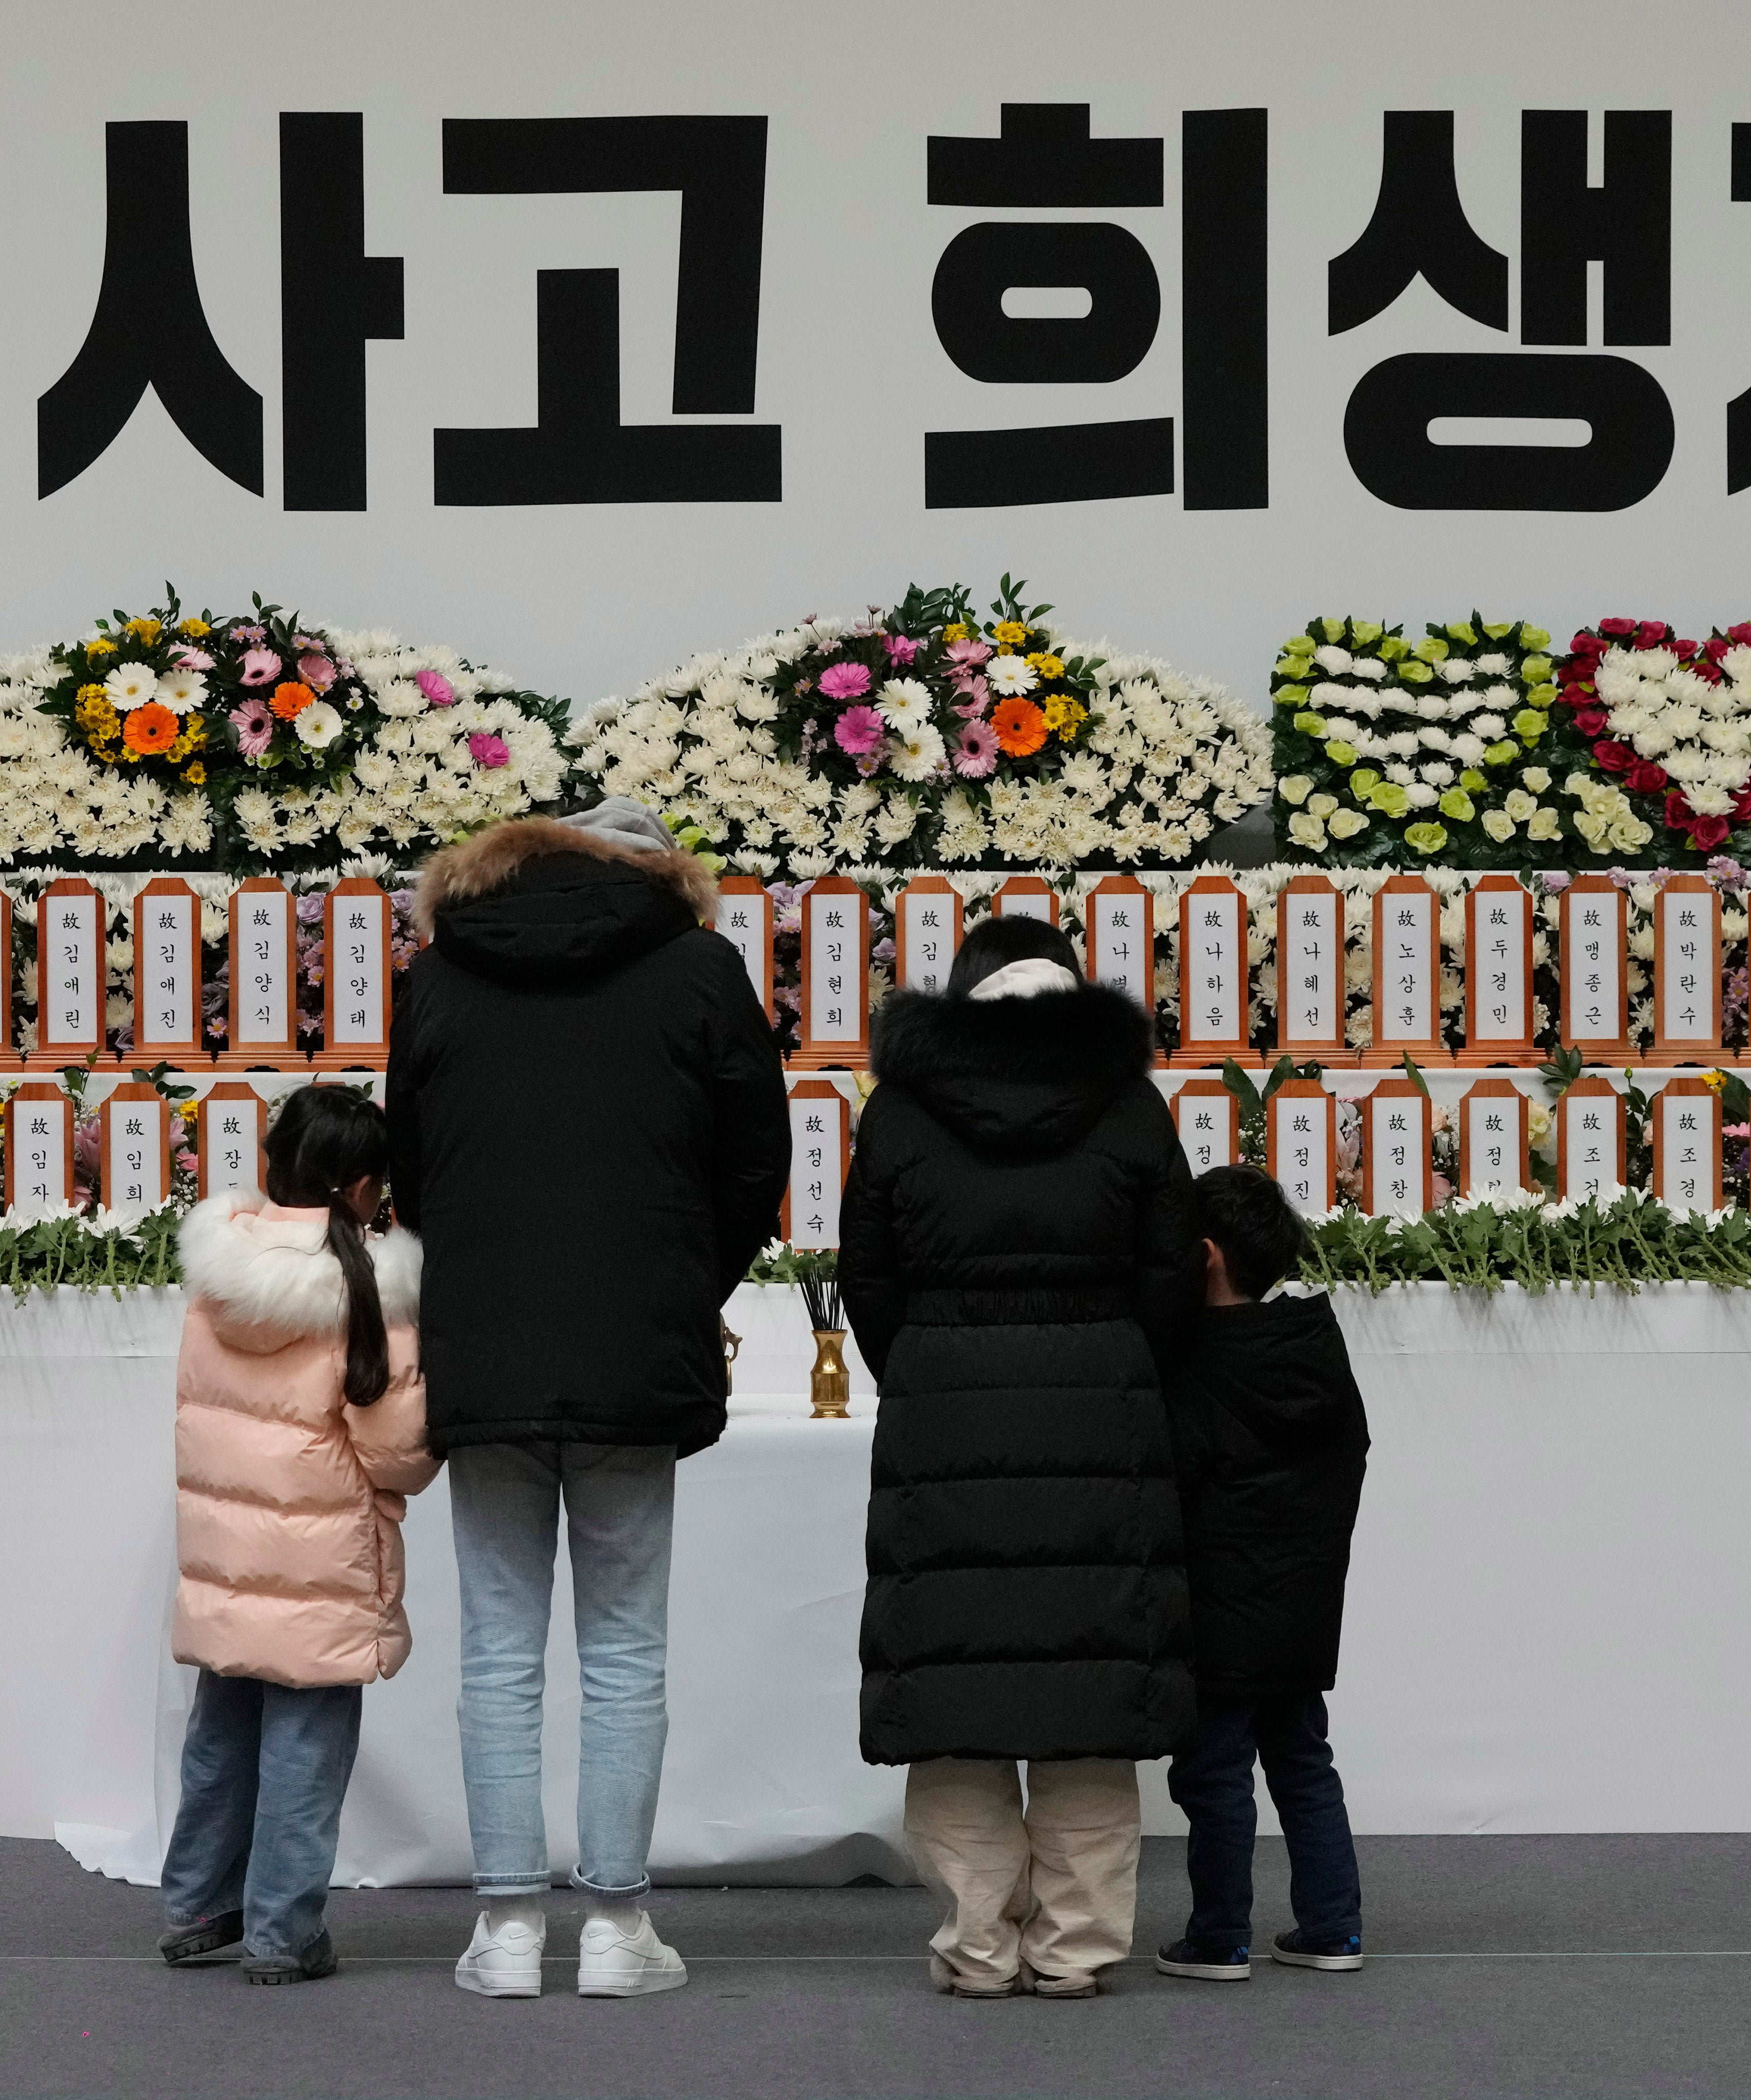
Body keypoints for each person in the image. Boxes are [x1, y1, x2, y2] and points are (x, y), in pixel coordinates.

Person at [388, 795, 791, 2000]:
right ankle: (616, 1929)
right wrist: (679, 1284)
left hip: (487, 1343)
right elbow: (755, 1159)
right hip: (633, 1345)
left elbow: (412, 1162)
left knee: (500, 1647)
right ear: (662, 872)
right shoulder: (700, 968)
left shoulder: (444, 972)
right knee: (625, 1645)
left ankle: (506, 1929)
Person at [838, 912, 1203, 1999]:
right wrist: (1124, 1360)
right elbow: (1172, 1269)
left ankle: (977, 1947)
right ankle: (1077, 1949)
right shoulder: (1130, 1106)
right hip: (1103, 1407)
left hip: (944, 1407)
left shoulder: (900, 1111)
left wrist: (922, 1365)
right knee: (1091, 1692)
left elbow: (867, 1274)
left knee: (958, 1696)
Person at [156, 1083, 436, 1986]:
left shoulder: (219, 1273)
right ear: (360, 1188)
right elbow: (396, 1453)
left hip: (227, 1554)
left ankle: (199, 1903)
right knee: (304, 1754)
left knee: (221, 1739)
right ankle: (281, 1933)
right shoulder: (369, 1288)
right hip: (321, 1566)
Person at [1156, 1163, 1371, 1983]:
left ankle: (1220, 1938)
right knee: (1305, 1764)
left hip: (1217, 1609)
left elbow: (1171, 1484)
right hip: (1304, 1602)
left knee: (1214, 1777)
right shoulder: (1313, 1346)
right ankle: (1334, 1928)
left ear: (1204, 1256)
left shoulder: (1196, 1362)